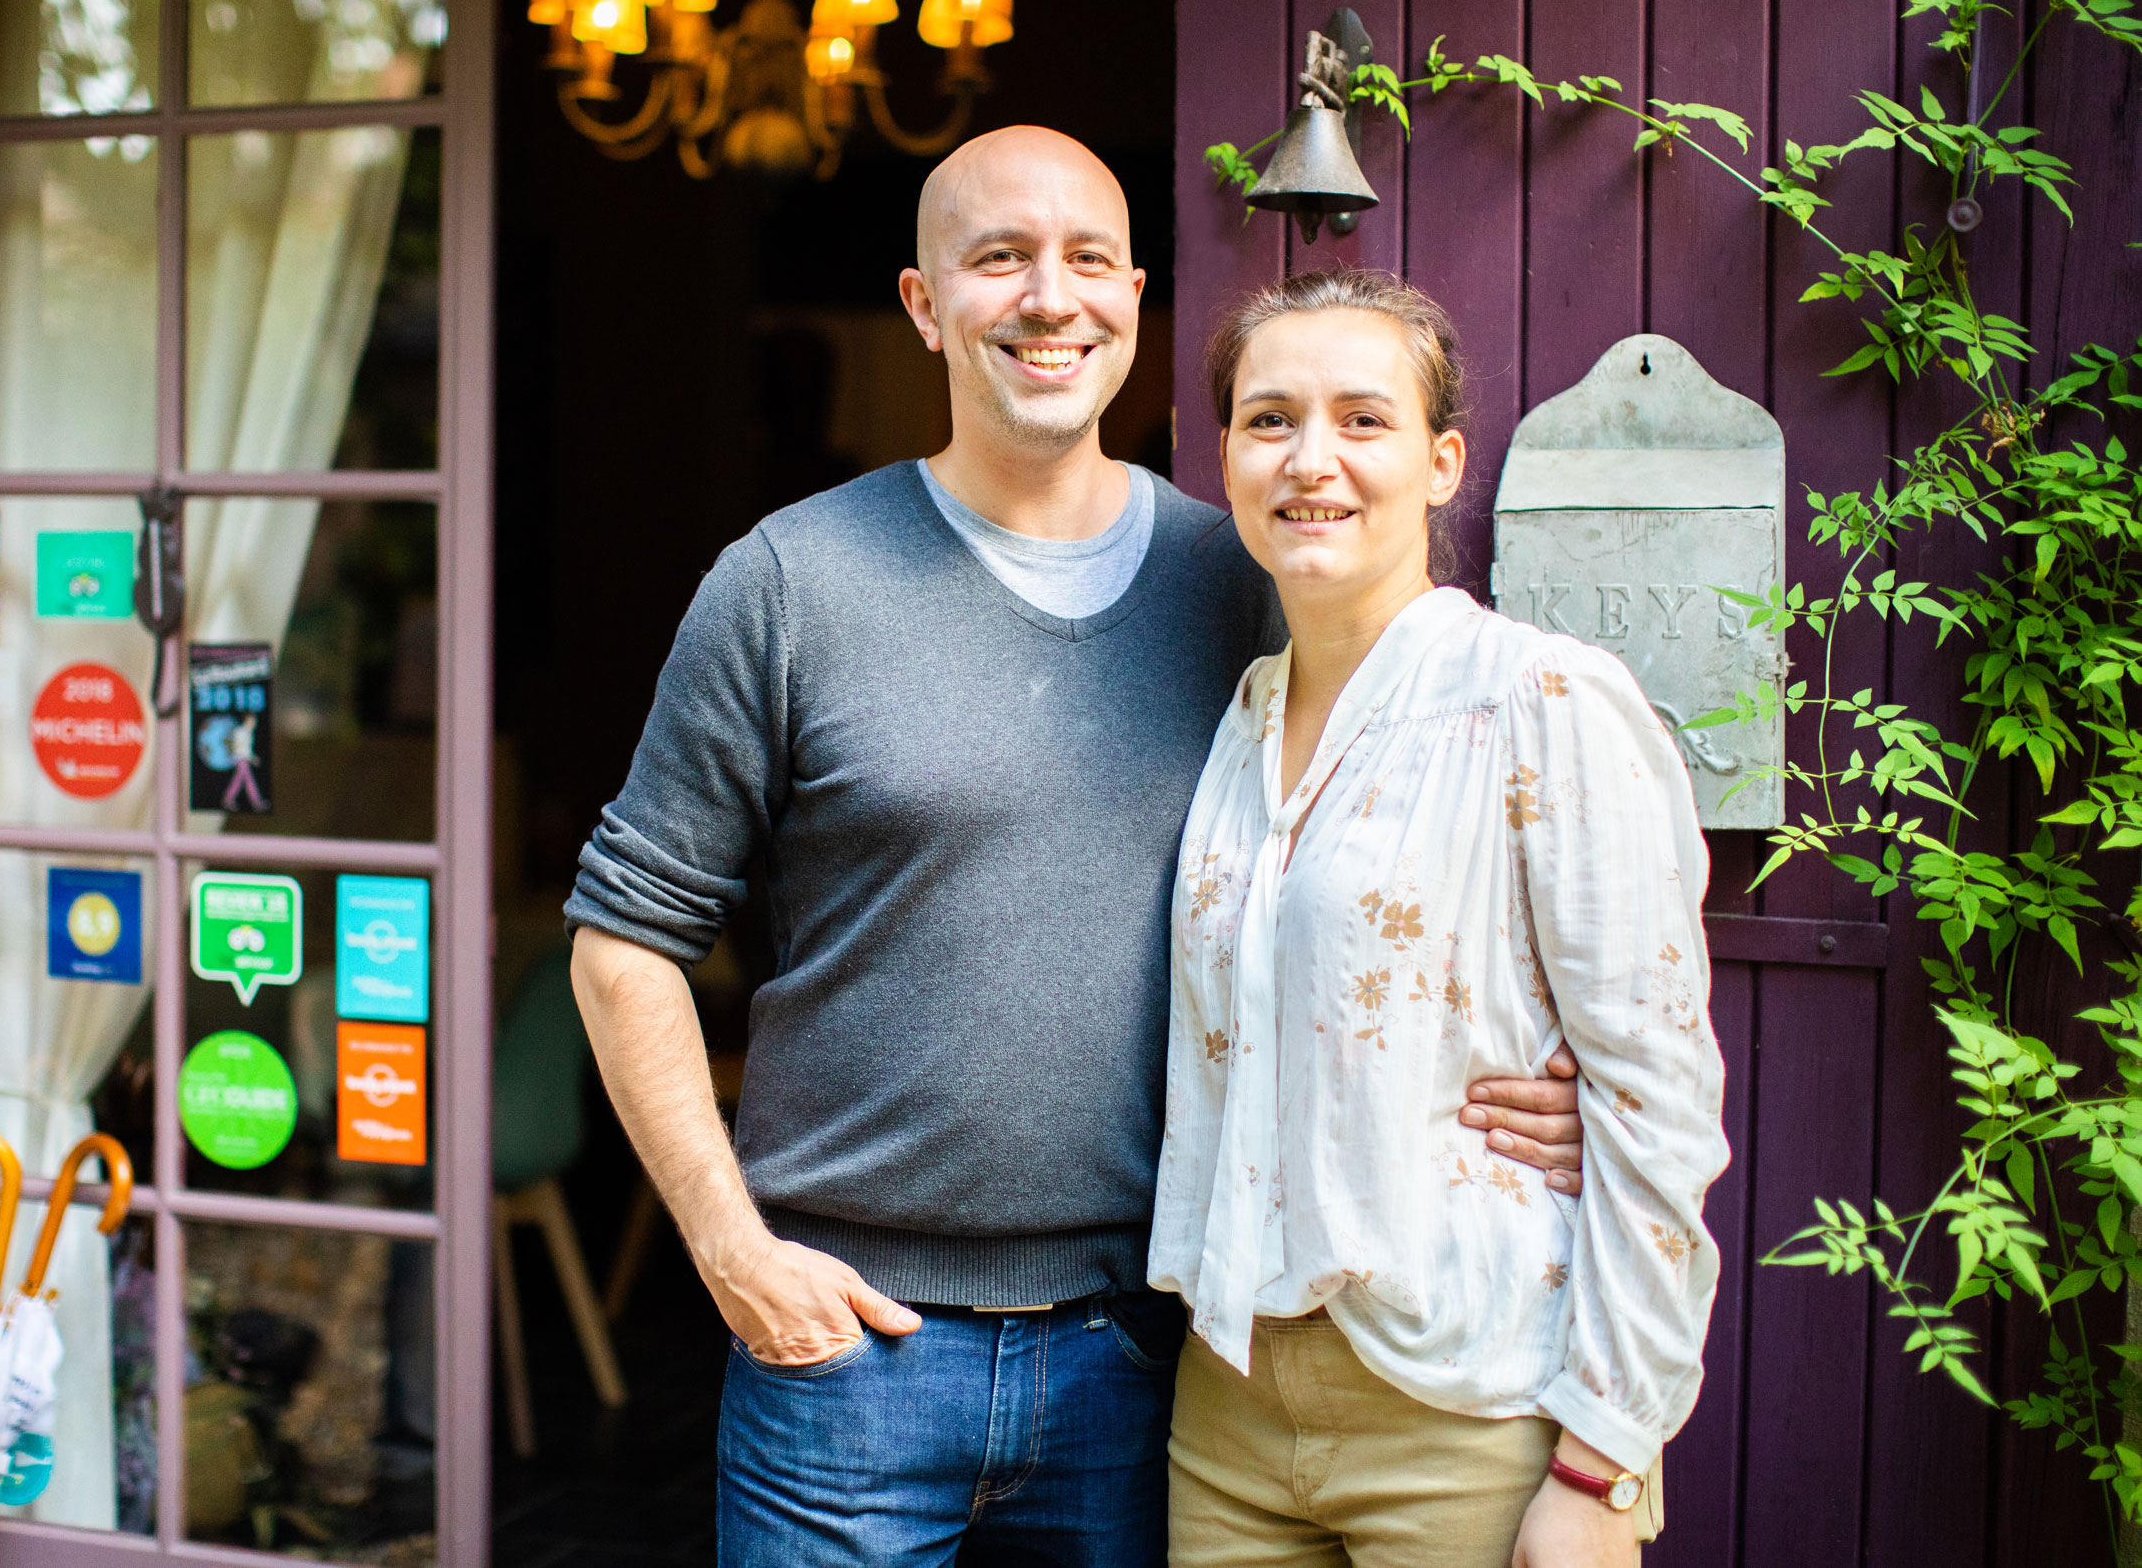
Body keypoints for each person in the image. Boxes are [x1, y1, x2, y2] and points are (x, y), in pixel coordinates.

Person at [565, 126, 1587, 1567]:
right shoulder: (789, 584)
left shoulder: (1244, 589)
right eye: (999, 259)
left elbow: (1430, 851)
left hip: (1147, 1356)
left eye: (1087, 259)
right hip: (848, 1359)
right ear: (925, 304)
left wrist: (1552, 1076)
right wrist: (731, 1250)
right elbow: (625, 939)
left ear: (1132, 297)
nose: (1052, 297)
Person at [1149, 269, 1730, 1568]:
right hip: (1228, 1410)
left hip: (1471, 1397)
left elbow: (1659, 1102)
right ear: (1227, 456)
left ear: (1443, 460)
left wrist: (1600, 1462)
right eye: (1269, 419)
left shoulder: (1545, 702)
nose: (1314, 460)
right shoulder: (1241, 719)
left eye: (1364, 419)